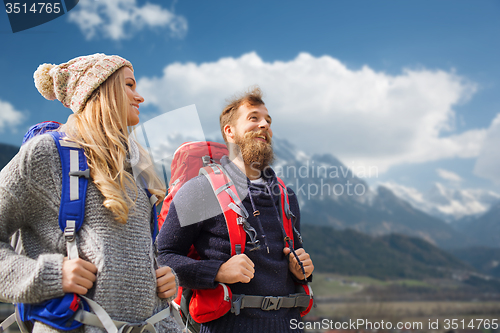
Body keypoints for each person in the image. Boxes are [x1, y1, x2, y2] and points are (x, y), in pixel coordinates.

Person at [0, 54, 180, 333]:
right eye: (129, 85)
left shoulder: (137, 168)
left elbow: (137, 251)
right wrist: (49, 275)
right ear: (99, 90)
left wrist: (164, 278)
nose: (139, 96)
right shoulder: (45, 155)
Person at [157, 87, 314, 332]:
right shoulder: (201, 190)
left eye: (268, 121)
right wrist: (216, 271)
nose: (264, 125)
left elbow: (291, 261)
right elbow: (163, 256)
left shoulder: (286, 196)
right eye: (254, 118)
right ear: (230, 132)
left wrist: (300, 269)